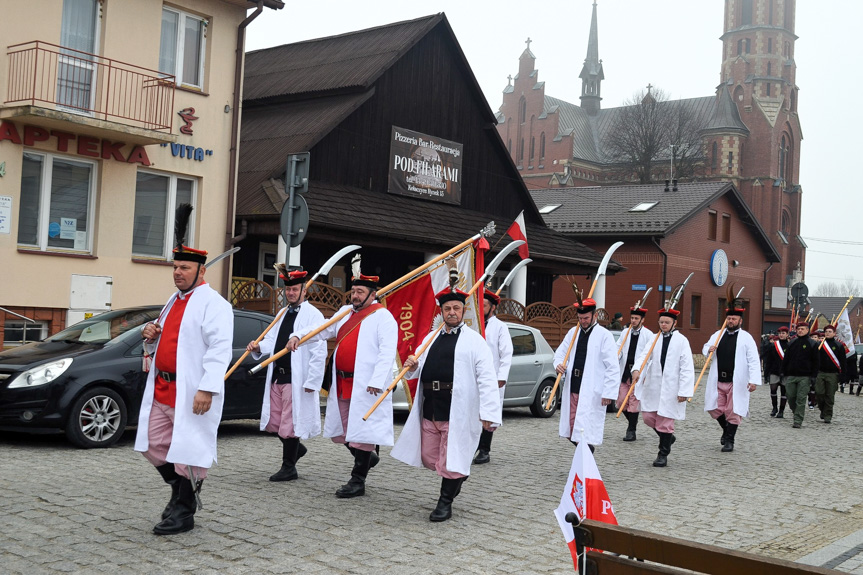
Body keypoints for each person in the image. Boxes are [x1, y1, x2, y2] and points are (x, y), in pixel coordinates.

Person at [135, 204, 233, 535]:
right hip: (162, 388)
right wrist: (150, 337)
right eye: (175, 267)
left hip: (191, 391)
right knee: (152, 444)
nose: (178, 272)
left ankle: (184, 511)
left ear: (201, 272)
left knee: (190, 452)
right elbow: (163, 342)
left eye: (185, 267)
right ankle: (179, 494)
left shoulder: (215, 305)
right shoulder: (172, 300)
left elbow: (219, 350)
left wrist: (207, 388)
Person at [391, 282, 501, 522]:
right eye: (447, 308)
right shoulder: (430, 338)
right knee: (429, 456)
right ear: (441, 311)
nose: (452, 312)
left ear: (463, 311)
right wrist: (412, 365)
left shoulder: (475, 341)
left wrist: (489, 413)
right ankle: (459, 474)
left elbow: (487, 379)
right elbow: (415, 368)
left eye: (456, 308)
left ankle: (445, 502)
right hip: (430, 406)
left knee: (451, 457)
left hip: (457, 407)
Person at [287, 265, 397, 498]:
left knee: (363, 432)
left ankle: (358, 480)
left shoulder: (383, 317)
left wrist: (378, 380)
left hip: (366, 385)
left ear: (372, 294)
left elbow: (387, 352)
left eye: (360, 292)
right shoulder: (345, 312)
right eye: (353, 291)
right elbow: (322, 328)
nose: (355, 296)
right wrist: (298, 336)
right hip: (342, 381)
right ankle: (368, 459)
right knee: (346, 431)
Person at [247, 266, 326, 481]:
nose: (290, 293)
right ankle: (296, 449)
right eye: (288, 290)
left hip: (296, 377)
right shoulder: (282, 313)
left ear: (304, 291)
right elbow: (272, 340)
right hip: (277, 375)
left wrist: (313, 381)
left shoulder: (313, 315)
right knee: (274, 421)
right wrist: (258, 347)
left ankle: (289, 467)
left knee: (289, 423)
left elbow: (319, 348)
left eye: (294, 290)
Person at [553, 297, 619, 451]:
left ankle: (584, 461)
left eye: (586, 318)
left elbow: (612, 366)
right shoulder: (573, 332)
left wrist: (608, 392)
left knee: (583, 428)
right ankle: (586, 452)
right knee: (570, 428)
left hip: (591, 387)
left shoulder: (604, 335)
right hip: (573, 385)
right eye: (580, 318)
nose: (583, 321)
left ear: (595, 316)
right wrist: (559, 365)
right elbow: (560, 354)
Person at [630, 308, 693, 467]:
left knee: (665, 421)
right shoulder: (654, 338)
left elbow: (687, 366)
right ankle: (668, 437)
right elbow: (644, 356)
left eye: (667, 322)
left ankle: (662, 453)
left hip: (672, 386)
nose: (663, 325)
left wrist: (684, 391)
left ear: (674, 323)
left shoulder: (682, 341)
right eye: (661, 322)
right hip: (654, 385)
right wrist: (637, 370)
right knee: (648, 417)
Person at [701, 302, 761, 452]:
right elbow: (705, 348)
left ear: (740, 321)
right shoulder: (718, 335)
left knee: (733, 410)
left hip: (737, 380)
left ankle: (729, 440)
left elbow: (753, 359)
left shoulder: (746, 338)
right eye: (729, 319)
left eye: (734, 319)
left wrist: (753, 380)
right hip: (718, 379)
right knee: (714, 408)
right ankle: (726, 428)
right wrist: (709, 349)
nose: (731, 321)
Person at [473, 290, 512, 465]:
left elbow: (506, 354)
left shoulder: (500, 327)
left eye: (485, 305)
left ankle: (484, 450)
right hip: (473, 376)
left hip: (492, 377)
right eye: (480, 305)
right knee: (472, 412)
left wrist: (502, 376)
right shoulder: (473, 325)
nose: (482, 308)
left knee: (488, 413)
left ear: (493, 307)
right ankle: (472, 445)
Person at [616, 305, 653, 442]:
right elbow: (619, 347)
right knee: (620, 401)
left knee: (633, 402)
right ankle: (632, 425)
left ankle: (631, 430)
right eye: (632, 318)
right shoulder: (625, 332)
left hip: (638, 373)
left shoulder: (648, 335)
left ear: (642, 320)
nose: (633, 321)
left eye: (636, 318)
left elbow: (649, 356)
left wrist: (644, 373)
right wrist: (615, 356)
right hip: (625, 371)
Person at [781, 322, 819, 428]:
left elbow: (816, 361)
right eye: (798, 329)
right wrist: (783, 371)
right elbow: (786, 359)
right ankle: (796, 412)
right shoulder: (792, 343)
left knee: (801, 398)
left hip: (805, 376)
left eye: (802, 329)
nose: (800, 331)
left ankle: (798, 420)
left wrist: (813, 376)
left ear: (807, 330)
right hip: (791, 375)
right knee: (791, 396)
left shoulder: (812, 344)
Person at [815, 325, 844, 423]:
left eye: (830, 331)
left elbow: (843, 361)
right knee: (819, 393)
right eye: (826, 331)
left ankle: (827, 415)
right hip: (820, 373)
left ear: (834, 333)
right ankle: (822, 409)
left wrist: (843, 375)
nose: (828, 333)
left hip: (832, 374)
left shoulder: (839, 345)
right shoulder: (820, 345)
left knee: (829, 395)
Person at [762, 327, 789, 417]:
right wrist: (766, 374)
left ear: (787, 334)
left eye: (783, 333)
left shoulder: (790, 346)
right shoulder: (773, 346)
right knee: (773, 390)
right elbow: (769, 360)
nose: (781, 335)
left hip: (785, 372)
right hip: (774, 371)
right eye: (780, 333)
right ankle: (774, 408)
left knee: (784, 392)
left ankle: (781, 411)